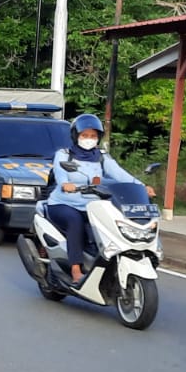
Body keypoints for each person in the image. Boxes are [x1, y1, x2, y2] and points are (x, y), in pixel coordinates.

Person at [44, 114, 156, 285]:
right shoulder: (64, 155)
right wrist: (66, 184)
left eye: (93, 136)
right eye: (85, 135)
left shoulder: (102, 156)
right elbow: (60, 174)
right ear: (76, 136)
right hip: (64, 203)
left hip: (93, 205)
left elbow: (120, 174)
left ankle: (104, 263)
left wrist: (141, 186)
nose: (89, 139)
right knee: (76, 222)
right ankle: (76, 269)